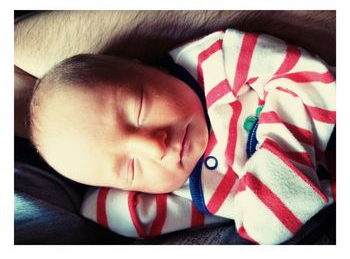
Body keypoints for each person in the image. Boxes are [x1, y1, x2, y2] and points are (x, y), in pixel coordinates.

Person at [28, 28, 336, 244]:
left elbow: (304, 75)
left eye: (138, 109)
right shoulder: (181, 192)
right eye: (130, 168)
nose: (154, 146)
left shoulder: (218, 62)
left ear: (148, 68)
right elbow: (117, 214)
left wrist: (281, 159)